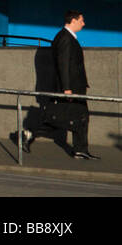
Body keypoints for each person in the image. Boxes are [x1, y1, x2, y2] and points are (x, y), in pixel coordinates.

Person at [22, 10, 98, 160]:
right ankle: (29, 133)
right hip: (70, 88)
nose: (84, 23)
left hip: (74, 87)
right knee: (60, 118)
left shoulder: (66, 37)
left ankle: (80, 150)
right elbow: (63, 65)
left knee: (79, 117)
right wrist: (66, 88)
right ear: (73, 20)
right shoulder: (65, 38)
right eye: (82, 20)